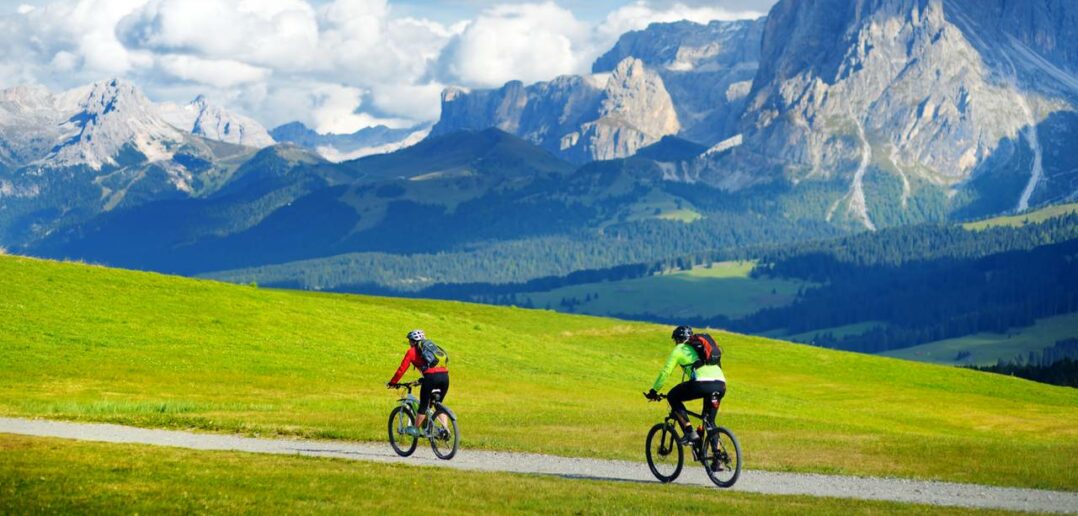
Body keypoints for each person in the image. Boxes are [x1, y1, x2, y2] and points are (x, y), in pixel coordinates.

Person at [646, 325, 726, 444]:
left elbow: (665, 372)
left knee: (673, 396)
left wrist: (653, 391)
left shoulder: (680, 349)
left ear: (678, 339)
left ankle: (689, 432)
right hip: (721, 384)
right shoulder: (702, 349)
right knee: (710, 421)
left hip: (702, 383)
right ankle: (718, 456)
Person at [387, 329, 450, 437]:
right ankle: (446, 431)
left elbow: (401, 369)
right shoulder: (433, 348)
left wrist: (393, 382)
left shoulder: (411, 351)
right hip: (445, 377)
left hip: (431, 378)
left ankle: (415, 429)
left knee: (423, 406)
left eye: (409, 341)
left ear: (412, 341)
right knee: (438, 405)